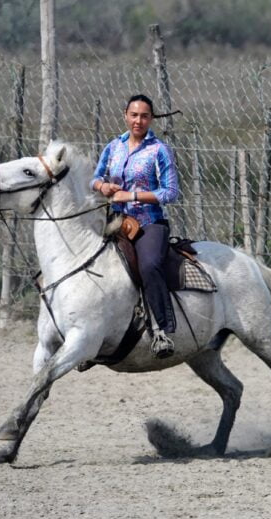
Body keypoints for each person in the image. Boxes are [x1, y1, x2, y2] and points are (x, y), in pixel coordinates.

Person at [92, 94, 181, 359]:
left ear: (151, 119)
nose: (138, 121)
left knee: (149, 265)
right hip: (115, 220)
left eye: (144, 116)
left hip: (149, 222)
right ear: (125, 115)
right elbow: (95, 178)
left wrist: (131, 195)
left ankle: (162, 330)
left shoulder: (159, 150)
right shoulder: (113, 147)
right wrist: (103, 187)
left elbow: (171, 192)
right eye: (134, 115)